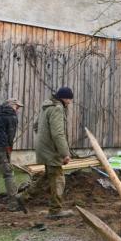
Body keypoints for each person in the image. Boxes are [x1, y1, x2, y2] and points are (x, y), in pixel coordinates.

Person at [34, 87, 74, 219]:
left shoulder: (46, 106)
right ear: (64, 98)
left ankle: (23, 198)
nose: (69, 102)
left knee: (49, 176)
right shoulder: (57, 108)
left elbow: (36, 126)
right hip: (51, 150)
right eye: (69, 99)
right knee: (58, 179)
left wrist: (43, 139)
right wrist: (65, 153)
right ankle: (55, 210)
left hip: (43, 147)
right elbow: (58, 134)